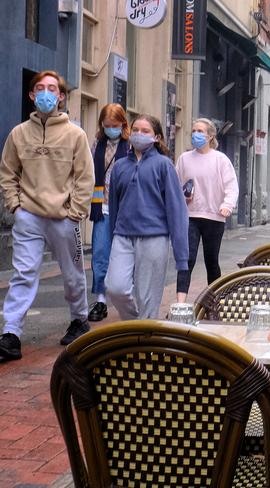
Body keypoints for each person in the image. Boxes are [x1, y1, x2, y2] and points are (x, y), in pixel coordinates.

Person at [0, 70, 94, 360]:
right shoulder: (19, 133)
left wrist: (74, 212)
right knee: (23, 273)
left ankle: (79, 318)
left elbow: (85, 178)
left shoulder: (75, 134)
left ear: (61, 96)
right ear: (31, 95)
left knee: (72, 273)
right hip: (28, 216)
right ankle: (11, 333)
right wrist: (15, 205)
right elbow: (8, 172)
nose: (45, 93)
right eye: (39, 88)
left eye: (52, 88)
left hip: (64, 218)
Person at [105, 114, 188, 320]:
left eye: (145, 131)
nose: (139, 135)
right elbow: (114, 206)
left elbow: (176, 210)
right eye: (135, 130)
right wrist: (111, 238)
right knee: (115, 288)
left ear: (157, 137)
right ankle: (135, 324)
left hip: (154, 237)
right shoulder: (119, 166)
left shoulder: (164, 165)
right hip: (122, 236)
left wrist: (182, 257)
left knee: (147, 298)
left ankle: (144, 342)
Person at [175, 118, 238, 303]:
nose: (196, 134)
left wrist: (227, 205)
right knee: (187, 259)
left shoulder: (220, 160)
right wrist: (181, 196)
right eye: (194, 130)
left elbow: (231, 186)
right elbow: (175, 185)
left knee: (211, 261)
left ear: (211, 136)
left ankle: (215, 300)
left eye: (200, 131)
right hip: (190, 216)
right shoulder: (184, 159)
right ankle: (180, 305)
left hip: (214, 217)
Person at [87, 103, 130, 322]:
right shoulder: (97, 144)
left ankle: (128, 296)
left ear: (123, 123)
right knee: (101, 253)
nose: (110, 129)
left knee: (124, 254)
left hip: (125, 209)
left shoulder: (131, 145)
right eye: (107, 125)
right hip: (101, 207)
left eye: (114, 125)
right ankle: (101, 299)